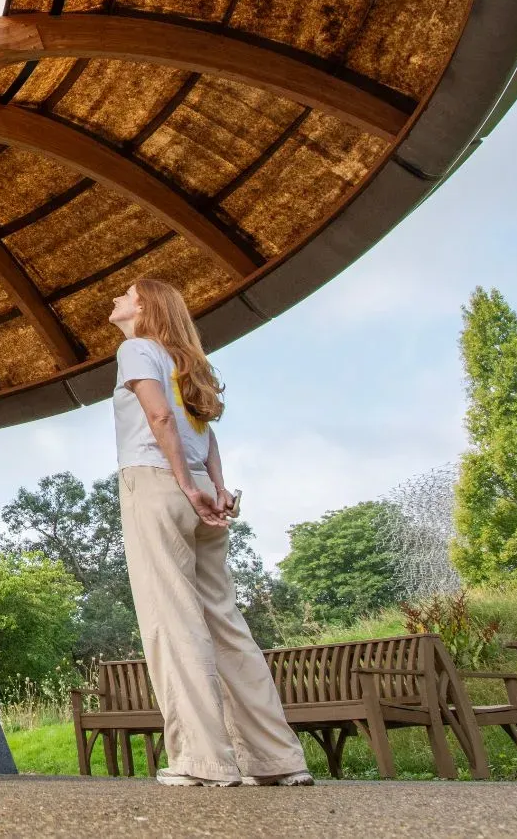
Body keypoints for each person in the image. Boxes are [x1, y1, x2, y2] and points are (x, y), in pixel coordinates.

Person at [108, 278, 311, 788]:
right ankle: (277, 760)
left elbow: (160, 417)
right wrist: (214, 488)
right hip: (202, 493)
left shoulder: (135, 349)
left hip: (157, 486)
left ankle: (203, 761)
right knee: (226, 626)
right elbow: (208, 434)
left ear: (146, 306)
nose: (117, 299)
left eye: (127, 294)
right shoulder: (188, 364)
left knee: (172, 623)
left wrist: (182, 483)